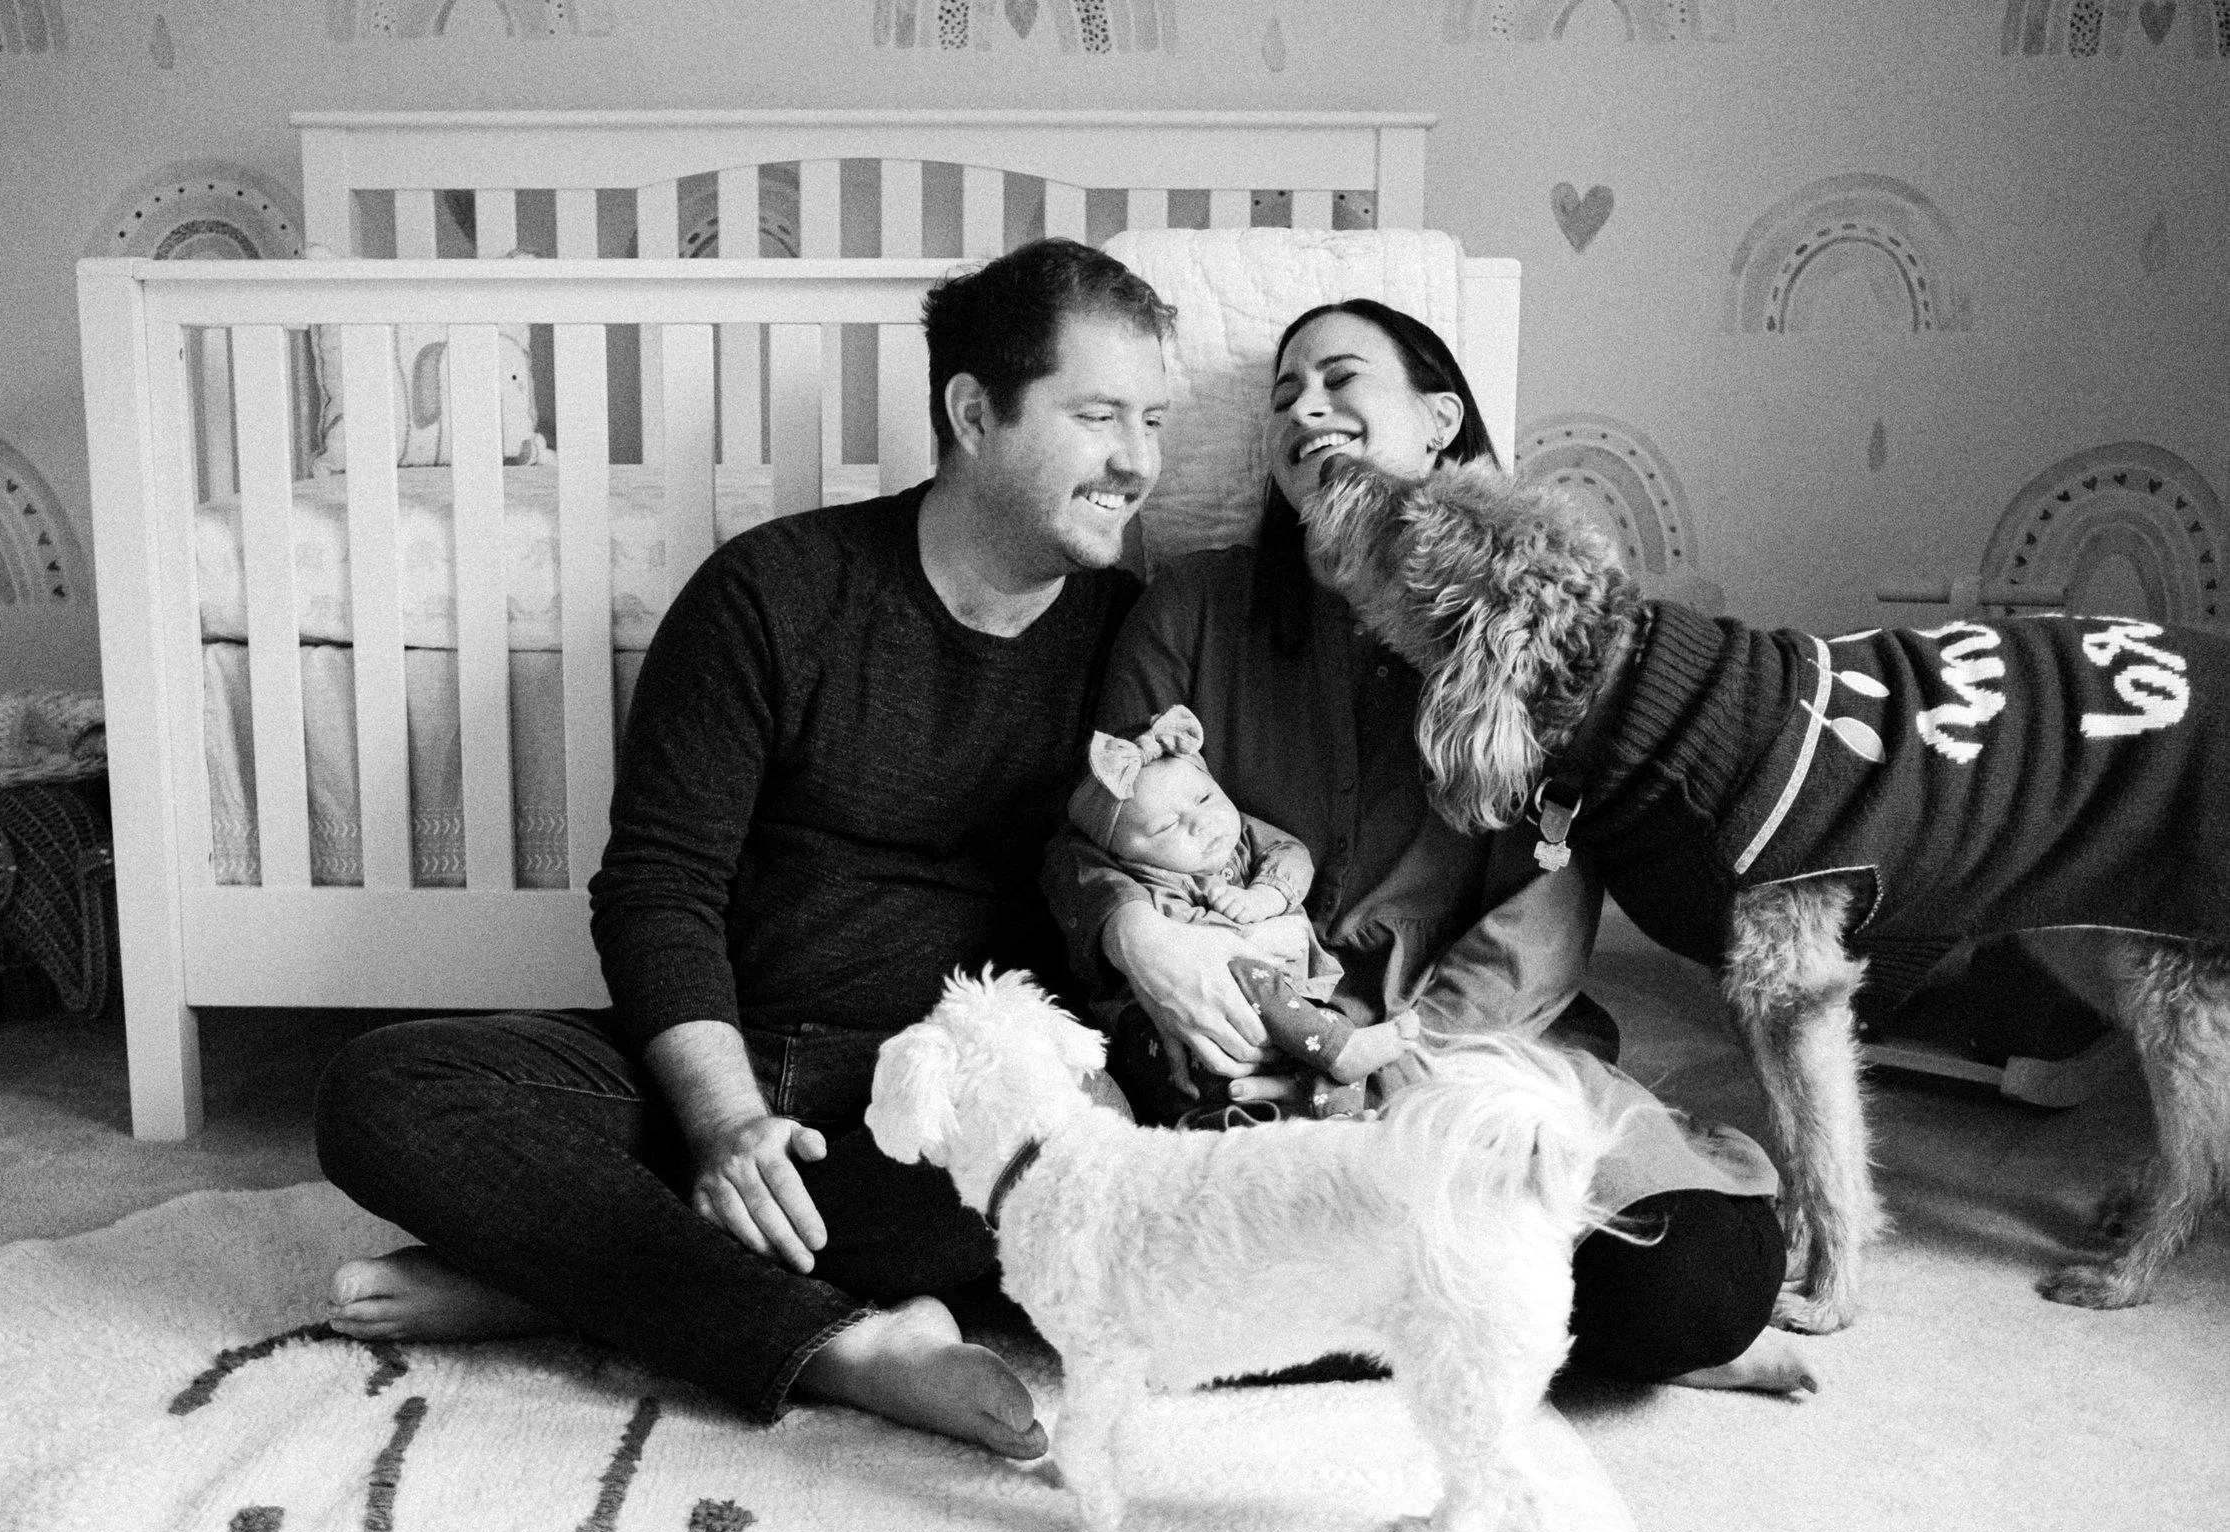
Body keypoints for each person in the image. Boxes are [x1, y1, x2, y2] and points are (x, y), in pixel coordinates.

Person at [311, 237, 1174, 1454]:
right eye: (1097, 416)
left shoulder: (1134, 643)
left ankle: (562, 1274)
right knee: (382, 1092)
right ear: (974, 412)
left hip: (920, 1108)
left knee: (1068, 1163)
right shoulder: (774, 589)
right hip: (705, 1067)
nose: (1136, 460)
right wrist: (721, 1123)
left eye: (1151, 418)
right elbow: (657, 886)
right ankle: (852, 1344)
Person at [1042, 297, 1814, 1394]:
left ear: (1439, 418)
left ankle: (1448, 1305)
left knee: (1700, 1283)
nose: (1303, 407)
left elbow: (1544, 917)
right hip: (1252, 1059)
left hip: (1476, 1055)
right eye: (1281, 396)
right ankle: (1478, 1316)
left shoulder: (1526, 622)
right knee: (1144, 1272)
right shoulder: (1189, 606)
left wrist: (1408, 1053)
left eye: (1339, 378)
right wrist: (1132, 934)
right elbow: (1092, 832)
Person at [1064, 702, 1420, 1124]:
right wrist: (1242, 935)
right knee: (1256, 989)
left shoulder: (1242, 838)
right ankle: (1335, 1055)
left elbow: (1292, 854)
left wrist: (1264, 897)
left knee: (1333, 1023)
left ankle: (1339, 1121)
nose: (1201, 823)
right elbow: (1194, 954)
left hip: (1285, 1028)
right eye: (1164, 828)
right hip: (1182, 1038)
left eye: (1204, 797)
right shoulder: (1150, 886)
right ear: (1121, 855)